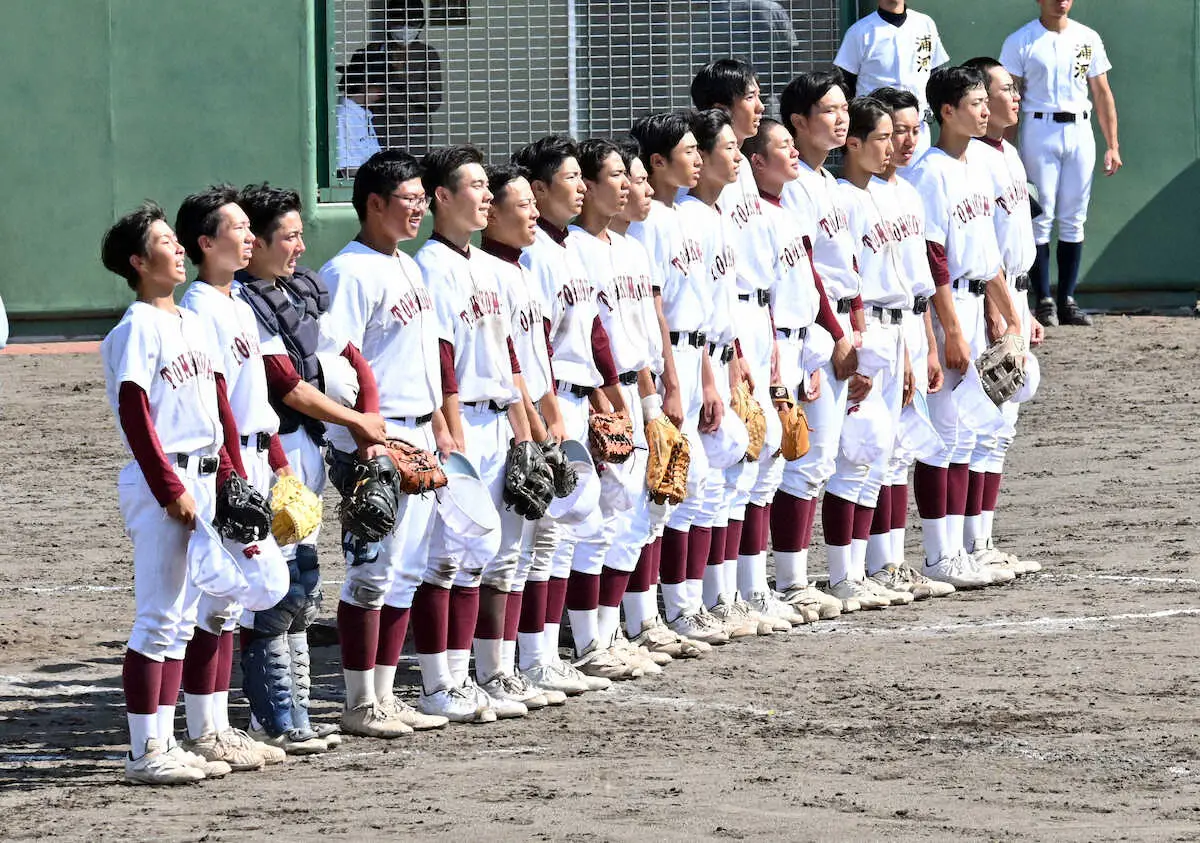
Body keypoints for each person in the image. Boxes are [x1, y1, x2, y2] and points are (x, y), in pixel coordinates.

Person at [234, 183, 391, 752]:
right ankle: (272, 714)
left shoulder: (298, 291)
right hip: (271, 449)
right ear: (255, 242)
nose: (300, 246)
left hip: (306, 447)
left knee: (302, 580)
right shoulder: (243, 303)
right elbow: (285, 384)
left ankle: (295, 703)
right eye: (289, 236)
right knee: (275, 585)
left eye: (302, 234)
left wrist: (367, 418)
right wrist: (354, 420)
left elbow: (351, 355)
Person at [318, 150, 457, 735]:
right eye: (409, 199)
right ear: (374, 203)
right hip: (377, 435)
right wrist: (358, 438)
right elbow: (333, 366)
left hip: (419, 430)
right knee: (371, 572)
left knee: (406, 569)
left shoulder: (406, 265)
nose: (419, 208)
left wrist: (441, 424)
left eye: (424, 198)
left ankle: (383, 694)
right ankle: (358, 702)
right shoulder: (347, 273)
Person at [101, 202, 236, 784]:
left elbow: (216, 405)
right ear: (138, 260)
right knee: (157, 617)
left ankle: (164, 740)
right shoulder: (136, 326)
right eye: (163, 241)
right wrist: (169, 488)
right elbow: (135, 412)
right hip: (165, 482)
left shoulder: (190, 322)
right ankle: (142, 751)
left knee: (183, 619)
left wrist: (228, 474)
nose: (178, 248)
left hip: (201, 476)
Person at [414, 144, 546, 719]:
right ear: (442, 196)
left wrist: (525, 426)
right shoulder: (430, 267)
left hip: (499, 418)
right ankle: (440, 682)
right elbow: (439, 354)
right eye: (475, 186)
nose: (487, 196)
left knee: (502, 552)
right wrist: (448, 428)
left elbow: (509, 355)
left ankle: (491, 672)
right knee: (450, 555)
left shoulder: (493, 270)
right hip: (462, 421)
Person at [511, 135, 635, 681]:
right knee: (546, 537)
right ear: (538, 189)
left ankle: (575, 649)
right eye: (570, 179)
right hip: (552, 399)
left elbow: (593, 333)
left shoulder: (570, 249)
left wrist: (611, 398)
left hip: (579, 398)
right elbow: (533, 342)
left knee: (579, 529)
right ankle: (536, 659)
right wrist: (543, 415)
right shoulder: (535, 255)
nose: (582, 187)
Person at [173, 187, 287, 772]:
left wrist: (278, 462)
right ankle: (203, 728)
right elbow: (210, 402)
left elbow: (256, 395)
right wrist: (233, 477)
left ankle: (217, 724)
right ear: (205, 242)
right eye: (238, 228)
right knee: (213, 601)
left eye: (249, 228)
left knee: (235, 601)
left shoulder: (239, 300)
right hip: (223, 465)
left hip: (254, 457)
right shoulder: (198, 308)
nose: (249, 237)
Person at [905, 65, 1023, 590]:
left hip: (979, 306)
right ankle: (940, 554)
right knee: (946, 435)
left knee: (973, 430)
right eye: (974, 102)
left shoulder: (976, 163)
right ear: (946, 111)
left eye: (984, 100)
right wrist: (951, 330)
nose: (984, 110)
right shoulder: (930, 172)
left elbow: (989, 255)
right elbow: (935, 259)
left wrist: (1012, 316)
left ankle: (963, 550)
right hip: (949, 311)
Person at [689, 59, 795, 630]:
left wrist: (771, 339)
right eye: (751, 97)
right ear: (725, 107)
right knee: (731, 460)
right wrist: (736, 352)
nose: (760, 105)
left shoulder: (744, 174)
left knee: (762, 460)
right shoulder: (714, 181)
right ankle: (712, 598)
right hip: (726, 327)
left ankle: (746, 592)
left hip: (755, 318)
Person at [564, 139, 671, 674]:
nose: (626, 184)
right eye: (614, 175)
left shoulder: (630, 248)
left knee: (631, 515)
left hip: (633, 388)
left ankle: (610, 634)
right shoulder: (573, 250)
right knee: (596, 521)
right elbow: (588, 336)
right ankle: (589, 642)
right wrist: (606, 401)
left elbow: (644, 338)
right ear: (586, 184)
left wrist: (652, 403)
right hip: (596, 394)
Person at [627, 112, 729, 647]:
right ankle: (646, 616)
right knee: (660, 491)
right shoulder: (650, 223)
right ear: (658, 161)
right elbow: (657, 309)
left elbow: (697, 313)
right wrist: (669, 380)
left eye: (697, 149)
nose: (696, 158)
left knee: (693, 485)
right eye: (686, 151)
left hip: (694, 356)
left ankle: (684, 606)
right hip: (669, 363)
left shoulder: (685, 216)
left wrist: (707, 378)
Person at [477, 163, 576, 702]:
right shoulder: (486, 271)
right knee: (495, 554)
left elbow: (537, 354)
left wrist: (547, 409)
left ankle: (515, 665)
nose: (534, 214)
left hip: (531, 412)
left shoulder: (520, 269)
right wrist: (532, 425)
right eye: (523, 205)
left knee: (529, 547)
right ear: (490, 212)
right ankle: (490, 670)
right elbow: (509, 362)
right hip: (496, 420)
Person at [770, 69, 867, 618]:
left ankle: (800, 579)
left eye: (843, 108)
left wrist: (855, 326)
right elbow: (807, 271)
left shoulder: (829, 182)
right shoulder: (797, 187)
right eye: (828, 110)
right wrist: (836, 334)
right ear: (798, 121)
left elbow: (846, 266)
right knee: (803, 462)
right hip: (811, 333)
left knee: (826, 459)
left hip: (836, 328)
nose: (840, 117)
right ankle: (789, 580)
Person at [826, 97, 917, 609]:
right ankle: (845, 573)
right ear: (854, 144)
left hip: (893, 328)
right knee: (853, 457)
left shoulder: (887, 194)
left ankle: (866, 569)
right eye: (881, 137)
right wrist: (855, 343)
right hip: (863, 328)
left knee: (883, 453)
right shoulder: (844, 198)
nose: (892, 147)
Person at [861, 86, 953, 599]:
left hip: (911, 327)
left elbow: (920, 283)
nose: (907, 140)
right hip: (876, 327)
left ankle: (892, 561)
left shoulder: (908, 192)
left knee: (900, 451)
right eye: (897, 130)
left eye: (915, 130)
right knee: (871, 450)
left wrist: (931, 347)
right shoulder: (859, 194)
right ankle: (870, 563)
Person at [960, 57, 1045, 575]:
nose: (1013, 98)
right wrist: (1000, 310)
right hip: (987, 299)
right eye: (1003, 90)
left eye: (1015, 90)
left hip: (1014, 292)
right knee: (978, 425)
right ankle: (964, 545)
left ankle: (982, 542)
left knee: (1000, 428)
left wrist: (1025, 306)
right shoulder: (973, 160)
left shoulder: (1009, 152)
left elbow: (1016, 245)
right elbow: (980, 244)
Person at [1000, 0, 1120, 327]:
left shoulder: (1087, 37)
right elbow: (1010, 96)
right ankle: (1044, 299)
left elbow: (1102, 92)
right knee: (1040, 214)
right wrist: (1004, 150)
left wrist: (1113, 145)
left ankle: (1067, 297)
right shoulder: (1021, 40)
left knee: (1073, 217)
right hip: (1040, 128)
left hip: (1080, 129)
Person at [835, 1, 950, 157]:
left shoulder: (925, 24)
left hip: (917, 128)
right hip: (875, 129)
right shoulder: (859, 31)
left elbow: (936, 77)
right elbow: (845, 84)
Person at [381, 0, 444, 157]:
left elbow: (434, 101)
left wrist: (405, 78)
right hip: (379, 135)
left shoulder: (428, 55)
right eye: (399, 21)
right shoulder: (373, 53)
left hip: (415, 138)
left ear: (421, 24)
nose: (405, 28)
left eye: (411, 22)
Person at [336, 43, 389, 176]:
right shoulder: (343, 116)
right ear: (364, 84)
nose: (383, 92)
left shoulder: (362, 113)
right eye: (379, 86)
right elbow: (347, 168)